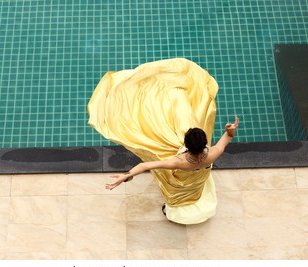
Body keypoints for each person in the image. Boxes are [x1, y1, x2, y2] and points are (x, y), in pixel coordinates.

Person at [88, 58, 239, 224]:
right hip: (196, 181)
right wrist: (229, 130)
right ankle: (182, 208)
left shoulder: (178, 162)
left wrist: (126, 176)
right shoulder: (212, 154)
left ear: (186, 145)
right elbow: (227, 138)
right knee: (193, 189)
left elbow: (145, 166)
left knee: (174, 193)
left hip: (179, 183)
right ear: (204, 144)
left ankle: (171, 209)